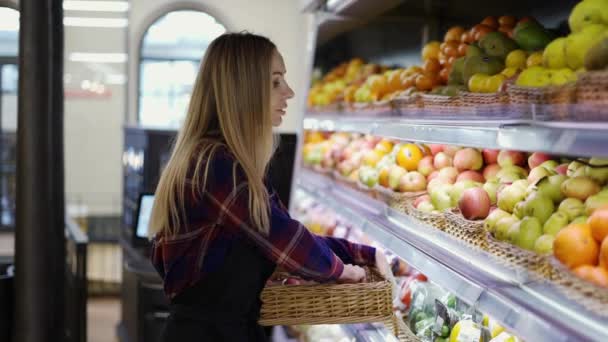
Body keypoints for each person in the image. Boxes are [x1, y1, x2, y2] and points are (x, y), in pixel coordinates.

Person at [148, 32, 389, 342]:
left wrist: (361, 253)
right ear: (243, 91)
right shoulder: (217, 167)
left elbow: (283, 231)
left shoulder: (228, 163)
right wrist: (342, 271)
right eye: (276, 82)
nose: (288, 92)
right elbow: (283, 237)